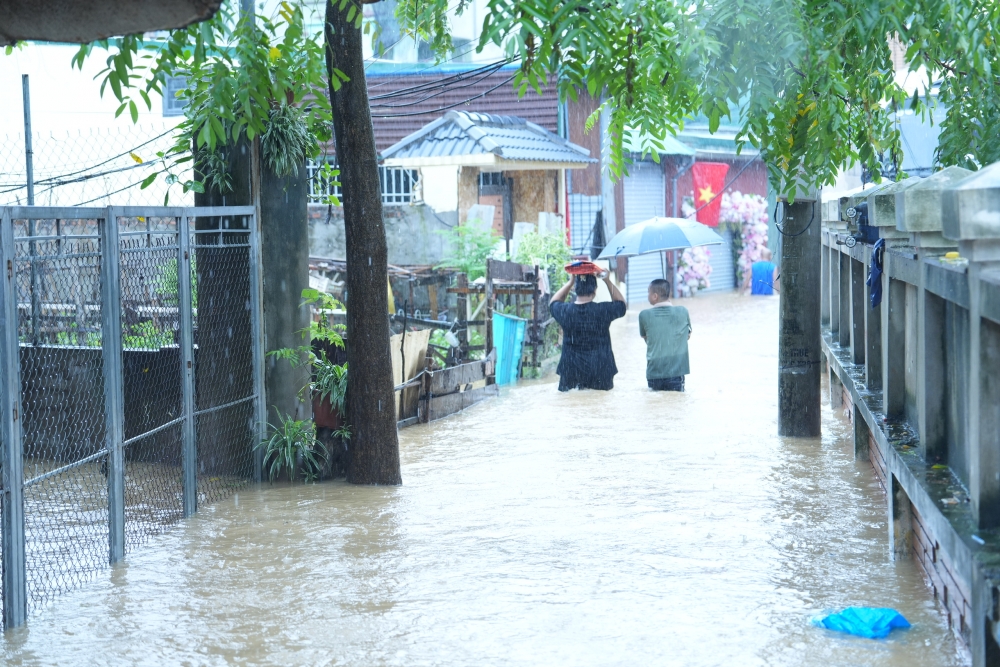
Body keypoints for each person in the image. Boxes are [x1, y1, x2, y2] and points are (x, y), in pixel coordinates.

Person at [549, 271, 627, 392]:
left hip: (571, 369)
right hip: (600, 369)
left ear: (575, 289)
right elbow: (621, 305)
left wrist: (570, 282)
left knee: (571, 406)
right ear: (595, 290)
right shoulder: (602, 310)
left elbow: (553, 303)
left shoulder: (565, 311)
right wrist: (607, 280)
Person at [639, 278, 691, 392]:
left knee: (656, 406)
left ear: (655, 296)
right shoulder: (683, 311)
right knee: (675, 406)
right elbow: (687, 336)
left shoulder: (644, 315)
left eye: (648, 292)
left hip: (654, 373)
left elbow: (647, 339)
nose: (647, 295)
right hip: (676, 373)